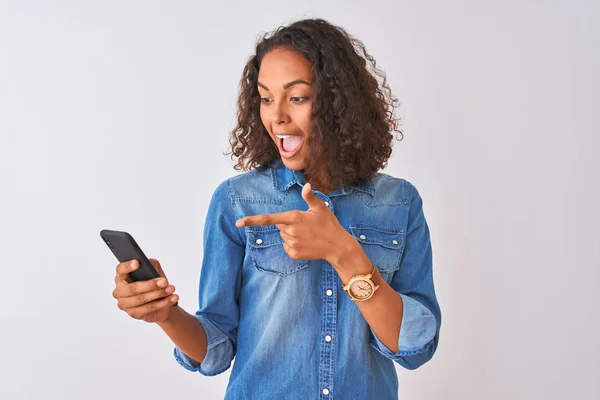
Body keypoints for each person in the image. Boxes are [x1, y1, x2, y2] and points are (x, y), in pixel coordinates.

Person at [111, 18, 441, 400]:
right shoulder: (237, 201)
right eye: (266, 98)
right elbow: (217, 348)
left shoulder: (398, 203)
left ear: (339, 103)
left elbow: (416, 346)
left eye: (297, 97)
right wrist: (165, 316)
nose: (277, 116)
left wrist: (343, 251)